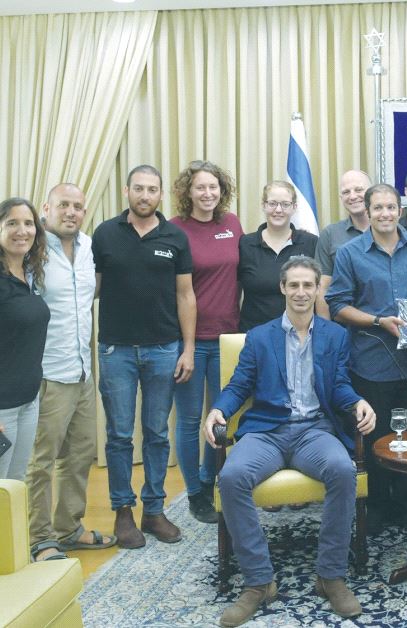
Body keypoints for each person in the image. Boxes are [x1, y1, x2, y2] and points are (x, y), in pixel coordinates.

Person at [205, 256, 375, 625]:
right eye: (293, 285)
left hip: (314, 431)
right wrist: (218, 409)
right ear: (283, 288)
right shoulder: (260, 336)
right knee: (232, 477)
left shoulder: (335, 335)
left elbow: (341, 385)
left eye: (307, 285)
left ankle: (330, 575)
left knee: (342, 471)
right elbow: (239, 385)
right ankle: (258, 582)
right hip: (266, 431)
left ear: (317, 290)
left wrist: (358, 401)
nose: (300, 292)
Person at [92, 164, 196, 548]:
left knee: (156, 433)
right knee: (119, 434)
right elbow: (92, 288)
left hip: (164, 349)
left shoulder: (175, 237)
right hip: (116, 349)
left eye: (152, 189)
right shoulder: (104, 234)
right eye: (139, 188)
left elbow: (186, 295)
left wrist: (187, 349)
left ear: (160, 195)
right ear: (127, 191)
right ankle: (123, 511)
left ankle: (153, 510)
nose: (145, 195)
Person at [327, 183, 407, 533]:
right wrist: (377, 321)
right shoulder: (349, 252)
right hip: (369, 362)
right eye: (378, 208)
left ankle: (404, 506)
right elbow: (338, 305)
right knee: (375, 439)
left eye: (391, 207)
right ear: (367, 211)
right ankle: (376, 506)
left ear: (400, 210)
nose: (385, 214)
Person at [26, 185, 115, 562]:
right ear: (46, 208)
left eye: (79, 206)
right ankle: (39, 539)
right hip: (47, 374)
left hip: (81, 370)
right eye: (64, 205)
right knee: (41, 462)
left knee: (79, 455)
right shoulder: (32, 250)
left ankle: (69, 528)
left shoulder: (88, 246)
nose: (72, 212)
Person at [170, 161, 243, 524]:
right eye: (200, 187)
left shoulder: (232, 225)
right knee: (187, 421)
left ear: (222, 189)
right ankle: (196, 494)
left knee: (221, 419)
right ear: (188, 192)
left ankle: (210, 478)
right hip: (190, 342)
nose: (207, 193)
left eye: (213, 187)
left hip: (228, 338)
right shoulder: (174, 230)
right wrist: (185, 346)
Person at [0, 198, 49, 481]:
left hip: (28, 401)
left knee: (14, 487)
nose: (22, 231)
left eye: (28, 223)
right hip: (2, 406)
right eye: (12, 223)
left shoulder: (30, 274)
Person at [238, 180, 318, 331]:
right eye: (272, 203)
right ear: (264, 205)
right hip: (255, 334)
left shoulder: (311, 243)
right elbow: (234, 291)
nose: (278, 210)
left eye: (285, 204)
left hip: (300, 333)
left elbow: (319, 292)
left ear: (294, 207)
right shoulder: (245, 244)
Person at [314, 170, 372, 316]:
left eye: (359, 190)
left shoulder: (394, 231)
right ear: (341, 197)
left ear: (371, 192)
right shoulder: (330, 234)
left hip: (387, 324)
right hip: (343, 325)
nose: (352, 196)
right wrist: (325, 331)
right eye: (346, 192)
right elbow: (323, 288)